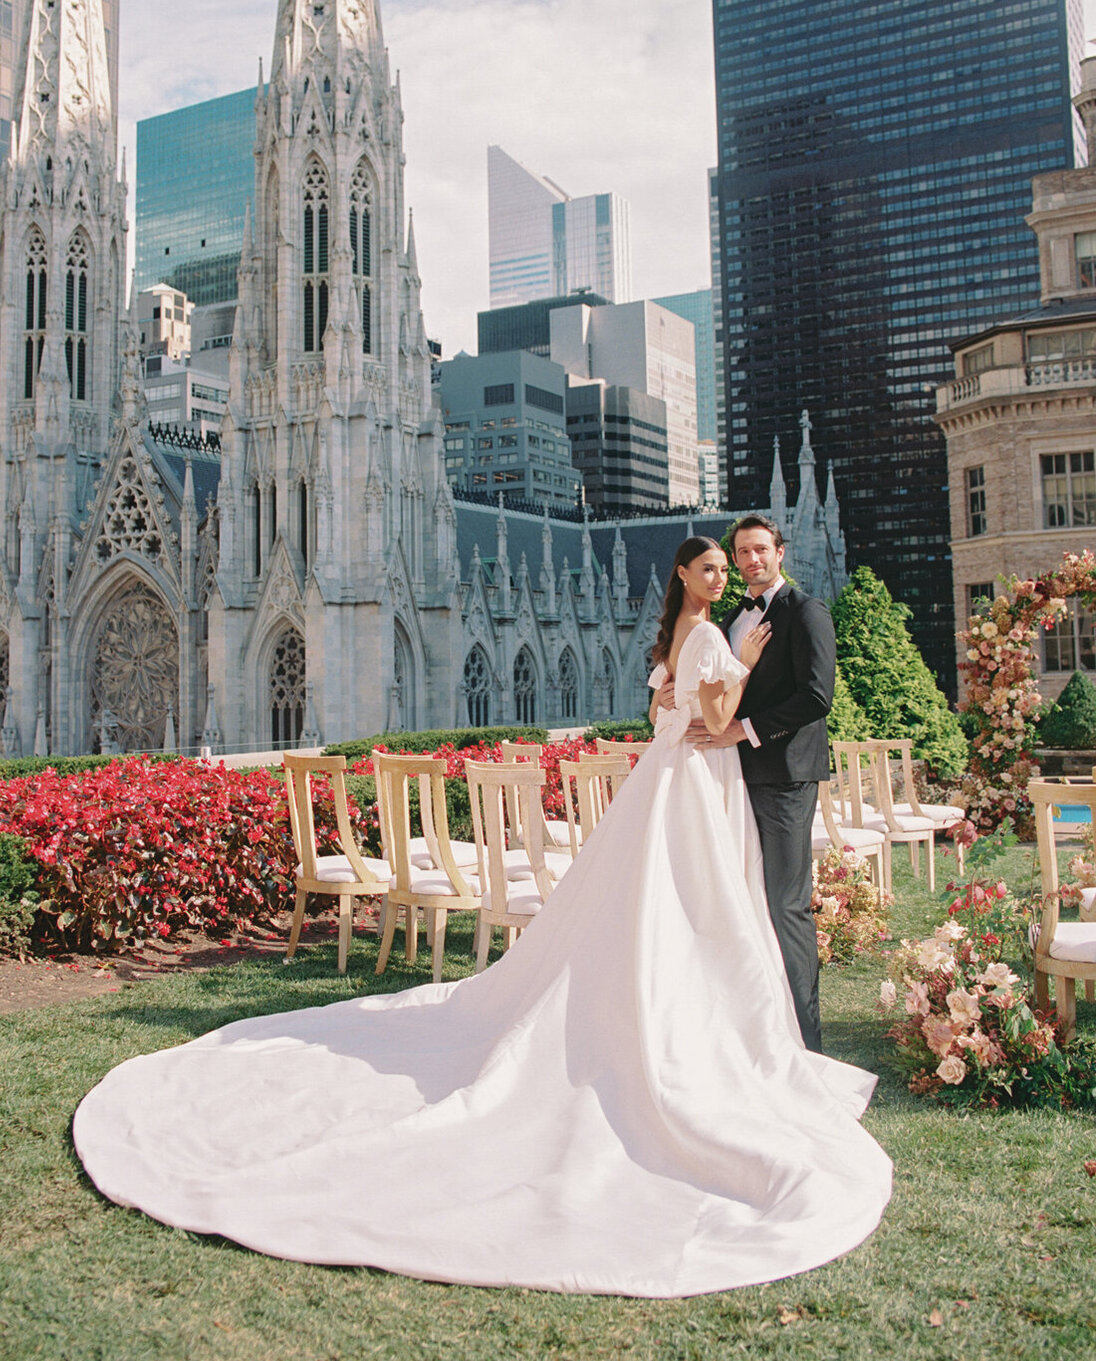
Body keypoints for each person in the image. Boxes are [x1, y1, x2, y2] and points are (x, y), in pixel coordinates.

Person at [73, 536, 889, 1299]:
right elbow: (713, 722)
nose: (727, 573)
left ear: (766, 557)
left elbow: (667, 715)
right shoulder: (715, 636)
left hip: (679, 784)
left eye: (738, 560)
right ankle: (724, 1039)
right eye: (716, 564)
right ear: (691, 575)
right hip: (696, 783)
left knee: (676, 915)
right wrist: (741, 667)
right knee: (703, 916)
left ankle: (721, 1030)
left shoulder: (684, 634)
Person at [660, 517, 834, 1053]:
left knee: (785, 904)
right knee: (740, 901)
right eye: (741, 552)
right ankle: (754, 1027)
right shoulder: (730, 618)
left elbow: (815, 696)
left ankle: (806, 1040)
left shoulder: (806, 611)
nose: (750, 560)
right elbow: (709, 685)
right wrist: (671, 696)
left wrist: (744, 729)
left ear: (780, 553)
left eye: (760, 549)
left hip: (783, 776)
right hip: (729, 781)